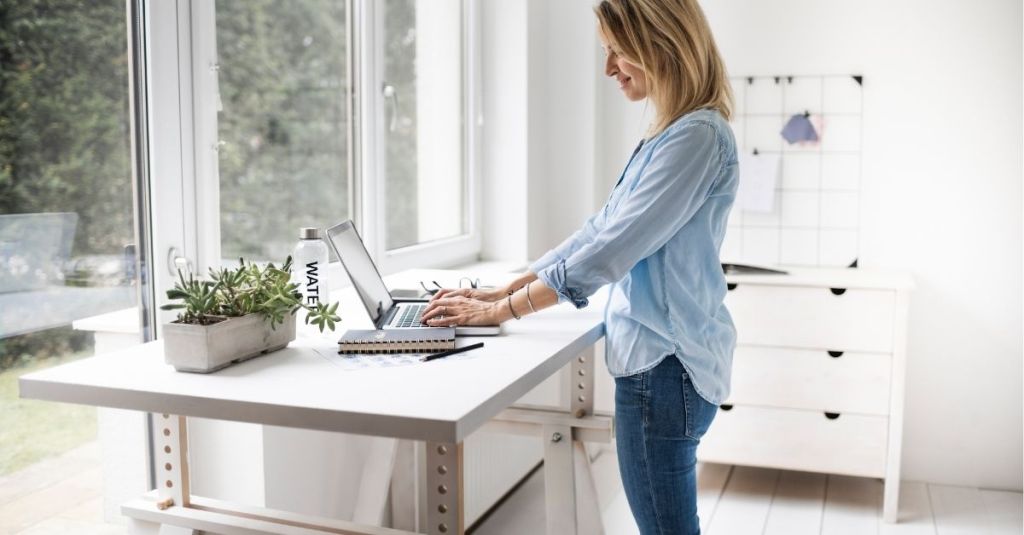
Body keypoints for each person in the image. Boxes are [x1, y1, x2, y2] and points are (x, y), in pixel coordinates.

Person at [421, 0, 736, 532]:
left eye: (617, 52)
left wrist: (506, 310)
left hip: (666, 367)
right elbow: (600, 230)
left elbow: (613, 250)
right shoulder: (670, 135)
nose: (609, 68)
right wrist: (504, 290)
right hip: (663, 366)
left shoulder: (696, 136)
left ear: (658, 44)